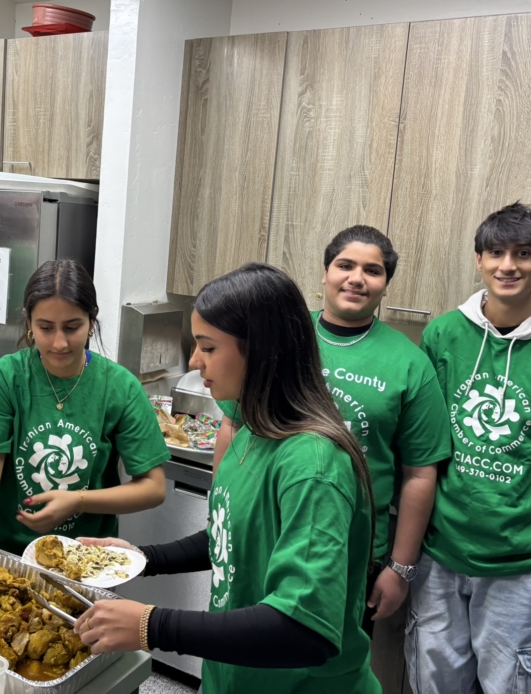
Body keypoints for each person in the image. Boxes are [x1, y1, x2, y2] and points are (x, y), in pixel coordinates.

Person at [72, 263, 380, 694]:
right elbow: (231, 534)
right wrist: (142, 559)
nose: (195, 362)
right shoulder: (253, 430)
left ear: (262, 350)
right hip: (233, 676)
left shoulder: (313, 465)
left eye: (208, 347)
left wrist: (151, 625)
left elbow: (304, 631)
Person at [405, 203, 531, 694]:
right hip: (438, 556)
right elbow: (420, 447)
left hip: (520, 566)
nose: (508, 265)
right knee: (434, 685)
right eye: (496, 252)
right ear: (479, 259)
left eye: (524, 254)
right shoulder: (443, 334)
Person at [213, 226, 451, 634]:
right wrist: (222, 510)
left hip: (349, 550)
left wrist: (400, 568)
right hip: (256, 532)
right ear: (324, 274)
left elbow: (419, 473)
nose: (357, 278)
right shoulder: (279, 339)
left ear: (385, 285)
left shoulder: (410, 364)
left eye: (372, 270)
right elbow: (234, 424)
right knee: (239, 648)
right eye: (345, 265)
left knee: (323, 666)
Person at [0, 259, 169, 555]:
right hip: (5, 558)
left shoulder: (119, 386)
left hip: (87, 559)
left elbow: (153, 488)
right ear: (29, 322)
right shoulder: (4, 378)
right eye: (46, 328)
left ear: (92, 319)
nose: (59, 342)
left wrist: (79, 501)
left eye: (72, 327)